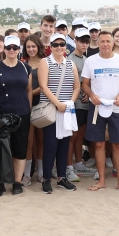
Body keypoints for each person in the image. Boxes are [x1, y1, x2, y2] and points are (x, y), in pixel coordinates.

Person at [80, 31, 119, 192]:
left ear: (113, 43)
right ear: (98, 43)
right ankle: (101, 180)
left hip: (117, 107)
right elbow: (85, 83)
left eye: (108, 41)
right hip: (97, 107)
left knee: (118, 144)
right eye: (102, 41)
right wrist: (92, 95)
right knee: (99, 144)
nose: (105, 44)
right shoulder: (91, 61)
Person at [0, 35, 34, 196]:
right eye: (9, 47)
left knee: (20, 149)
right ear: (4, 49)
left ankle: (17, 182)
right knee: (1, 150)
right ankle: (0, 183)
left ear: (19, 49)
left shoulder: (26, 68)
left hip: (22, 114)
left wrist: (28, 109)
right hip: (2, 113)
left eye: (15, 47)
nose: (12, 50)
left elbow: (29, 91)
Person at [37, 33, 80, 193]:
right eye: (55, 44)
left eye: (62, 44)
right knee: (50, 145)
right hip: (51, 109)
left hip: (66, 110)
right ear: (51, 47)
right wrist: (57, 104)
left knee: (64, 145)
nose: (59, 47)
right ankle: (46, 179)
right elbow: (43, 86)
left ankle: (62, 178)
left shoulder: (71, 64)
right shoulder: (45, 62)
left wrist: (70, 103)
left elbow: (77, 86)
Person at [68, 30, 92, 180]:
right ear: (75, 41)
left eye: (86, 42)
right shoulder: (70, 59)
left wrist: (88, 93)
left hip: (85, 103)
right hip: (74, 103)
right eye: (82, 41)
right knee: (73, 135)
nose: (84, 44)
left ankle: (78, 163)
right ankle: (68, 166)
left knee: (80, 135)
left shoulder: (86, 59)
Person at [22, 35, 46, 185]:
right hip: (27, 105)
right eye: (28, 47)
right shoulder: (22, 64)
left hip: (42, 104)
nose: (31, 49)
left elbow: (45, 85)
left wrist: (30, 92)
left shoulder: (45, 62)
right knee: (29, 141)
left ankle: (41, 172)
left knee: (41, 140)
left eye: (33, 46)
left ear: (38, 47)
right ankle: (27, 174)